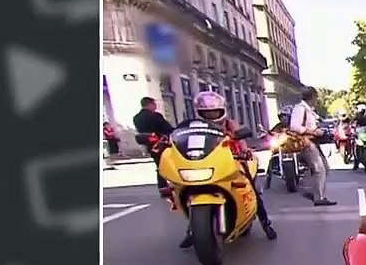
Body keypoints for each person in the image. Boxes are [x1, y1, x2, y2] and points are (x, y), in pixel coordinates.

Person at [175, 90, 277, 246]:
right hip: (206, 162)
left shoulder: (230, 124)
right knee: (189, 189)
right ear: (199, 112)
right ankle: (193, 229)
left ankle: (266, 223)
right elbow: (182, 140)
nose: (211, 116)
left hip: (232, 159)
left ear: (222, 110)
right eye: (206, 113)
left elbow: (241, 137)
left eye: (215, 112)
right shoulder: (193, 126)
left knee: (251, 189)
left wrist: (244, 151)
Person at [289, 87, 335, 206]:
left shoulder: (308, 110)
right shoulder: (300, 109)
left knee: (323, 167)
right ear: (312, 97)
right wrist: (312, 131)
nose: (316, 100)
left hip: (312, 141)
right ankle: (317, 196)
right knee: (319, 168)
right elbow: (294, 126)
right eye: (316, 97)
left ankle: (314, 193)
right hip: (306, 142)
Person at [133, 96, 177, 196]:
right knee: (170, 163)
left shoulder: (137, 117)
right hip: (161, 143)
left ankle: (162, 186)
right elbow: (167, 128)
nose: (156, 106)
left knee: (159, 165)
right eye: (154, 104)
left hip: (149, 144)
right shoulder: (155, 116)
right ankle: (173, 184)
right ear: (150, 104)